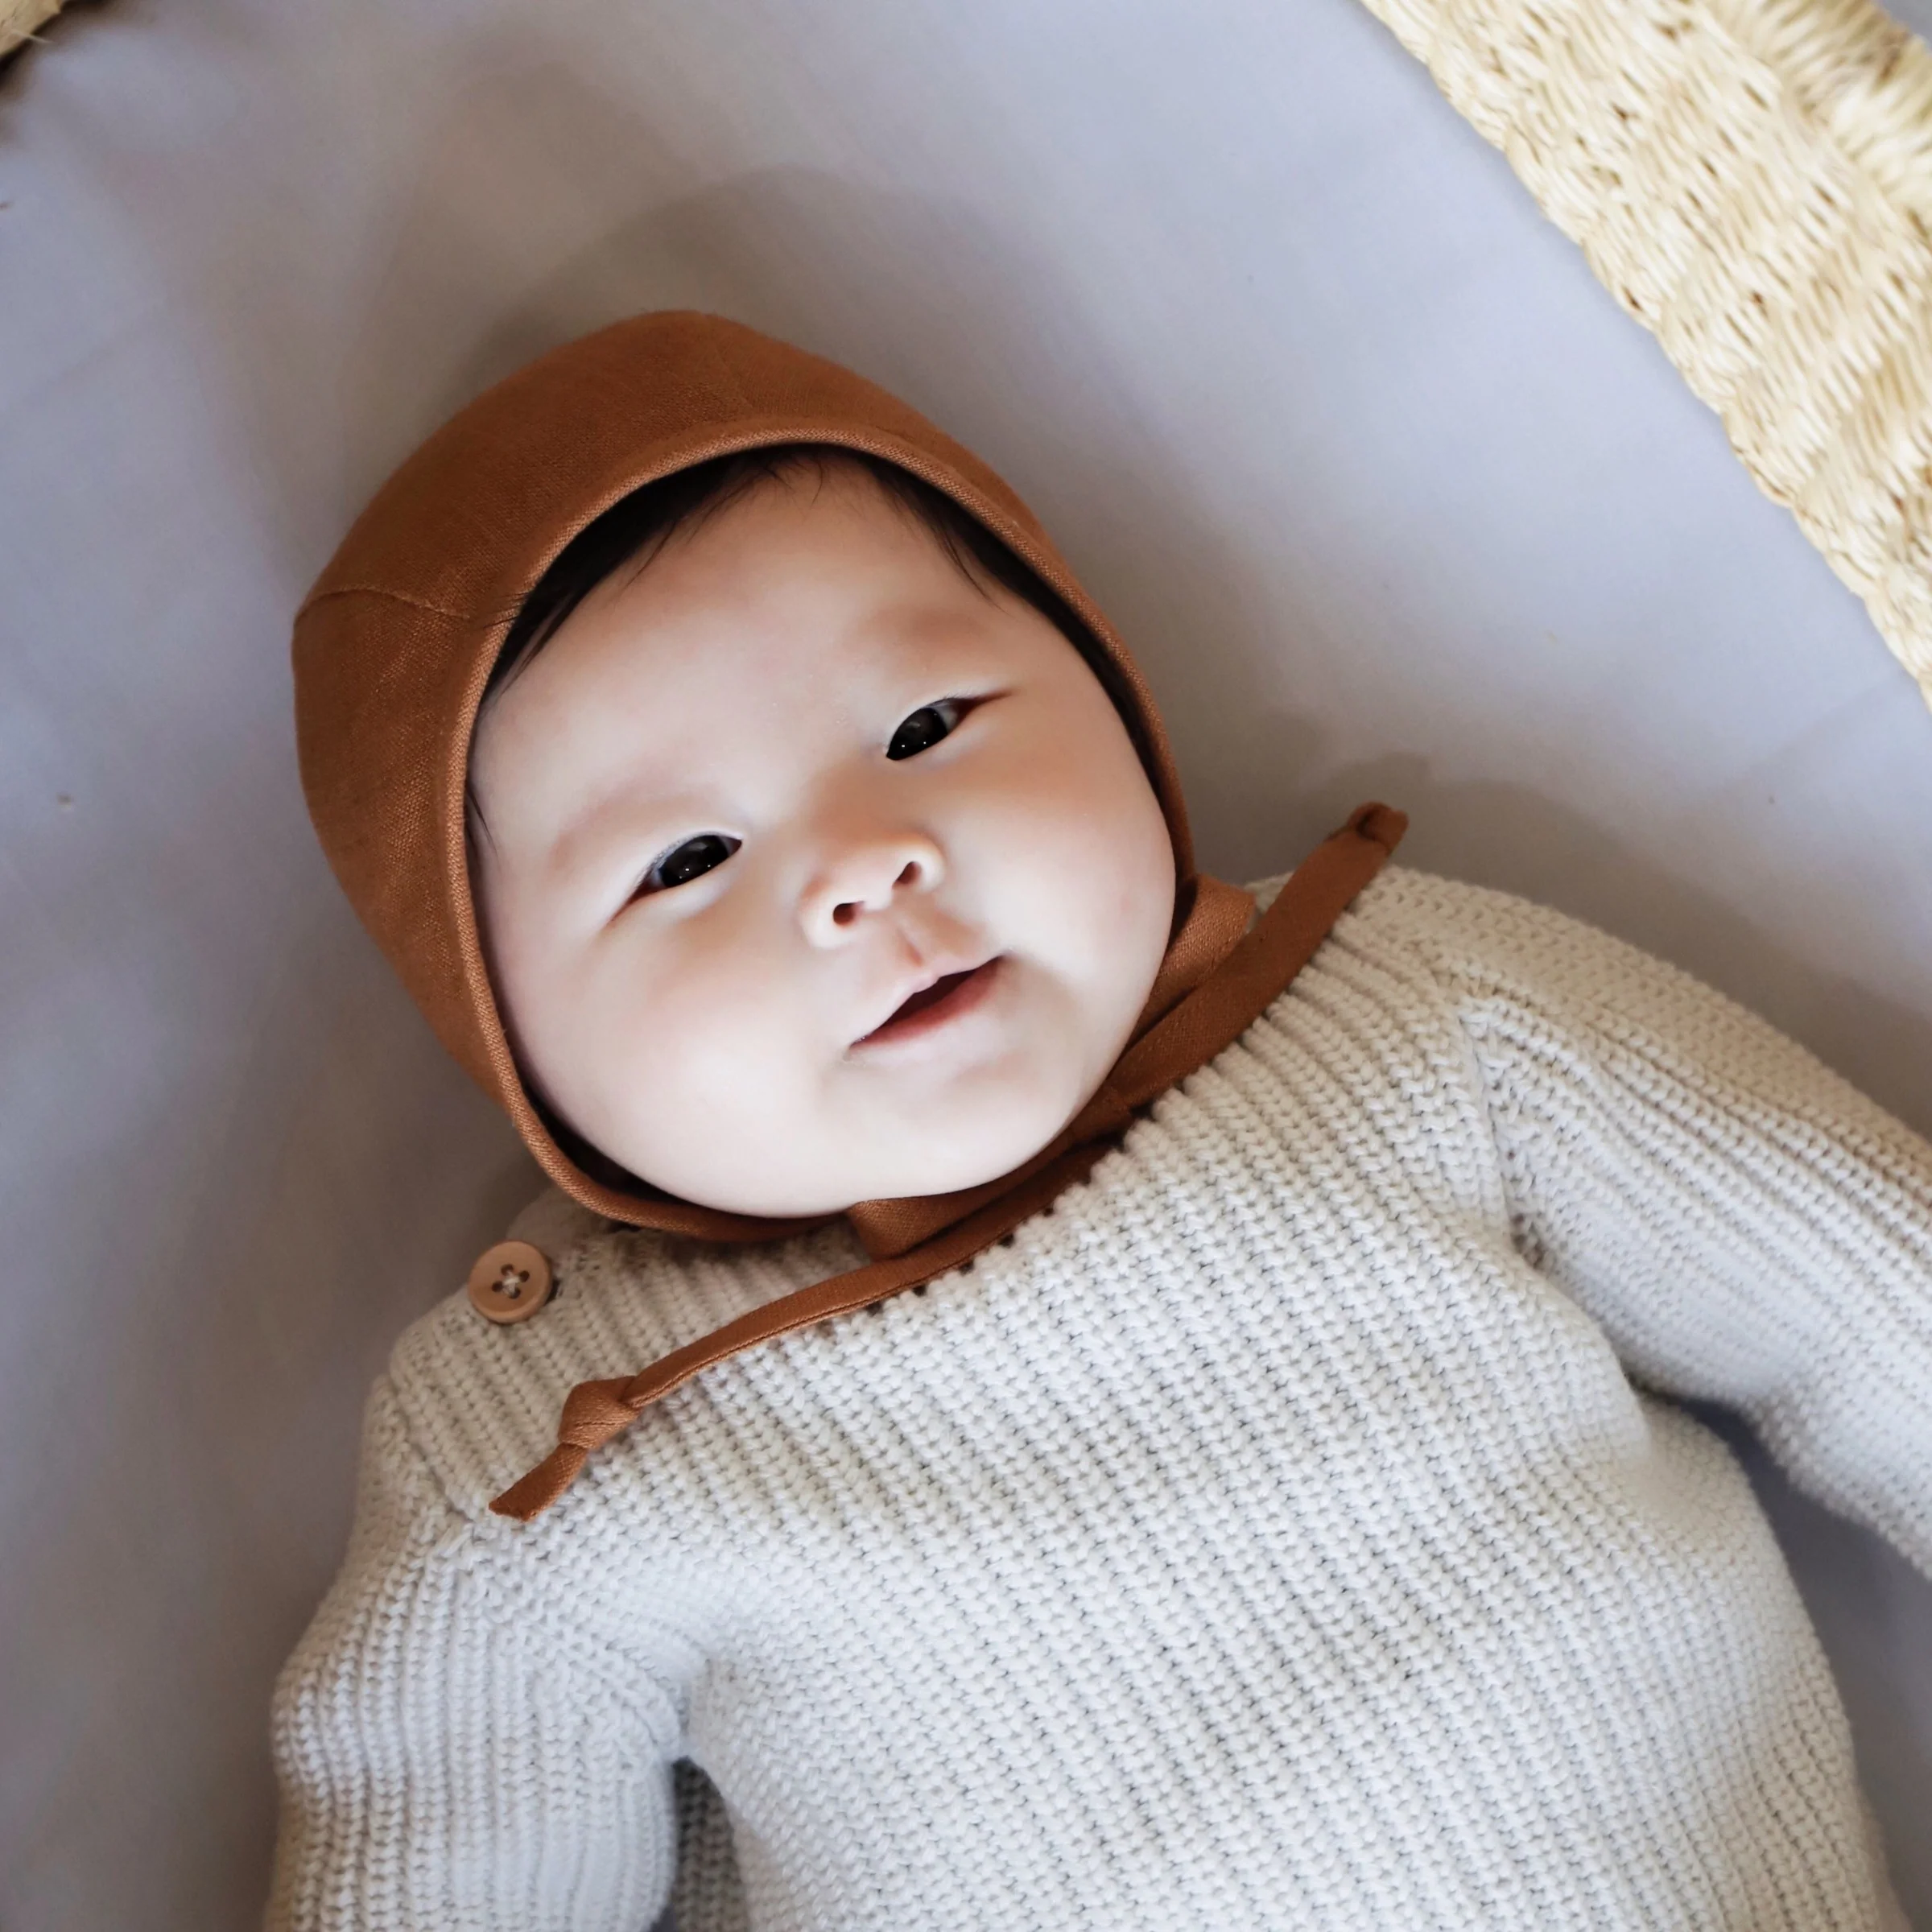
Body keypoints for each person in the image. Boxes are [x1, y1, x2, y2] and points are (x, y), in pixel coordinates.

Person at [269, 311, 1929, 1930]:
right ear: (509, 1044)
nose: (865, 863)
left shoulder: (1403, 1009)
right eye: (687, 862)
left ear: (1108, 689)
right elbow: (440, 1860)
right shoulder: (550, 1446)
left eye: (925, 727)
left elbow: (1869, 1295)